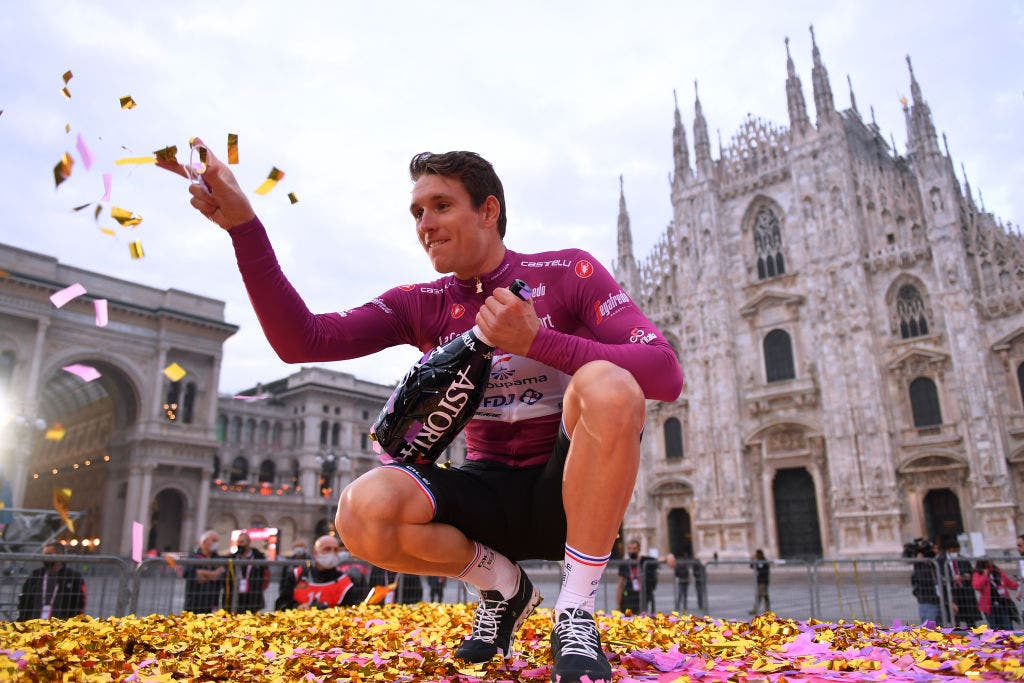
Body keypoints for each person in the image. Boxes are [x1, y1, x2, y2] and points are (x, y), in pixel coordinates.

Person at [165, 144, 682, 683]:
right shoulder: (421, 302)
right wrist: (244, 228)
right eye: (416, 212)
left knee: (611, 385)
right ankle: (503, 585)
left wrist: (537, 341)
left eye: (440, 206)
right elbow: (302, 340)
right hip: (483, 492)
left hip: (569, 488)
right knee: (360, 511)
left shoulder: (568, 271)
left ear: (488, 210)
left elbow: (665, 373)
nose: (424, 225)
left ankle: (574, 611)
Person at [276, 535, 366, 610]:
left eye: (335, 550)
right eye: (327, 549)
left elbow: (351, 610)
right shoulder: (297, 575)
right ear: (315, 552)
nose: (332, 553)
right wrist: (297, 607)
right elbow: (281, 604)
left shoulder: (345, 582)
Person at [17, 542, 85, 620]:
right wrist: (24, 618)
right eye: (44, 555)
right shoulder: (36, 575)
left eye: (49, 554)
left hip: (61, 622)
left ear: (60, 556)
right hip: (34, 621)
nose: (45, 558)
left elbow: (80, 602)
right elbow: (24, 599)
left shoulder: (73, 577)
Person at [936, 536, 983, 628]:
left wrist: (966, 575)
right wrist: (952, 578)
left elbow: (970, 571)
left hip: (964, 590)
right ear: (949, 549)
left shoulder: (962, 558)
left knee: (970, 617)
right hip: (951, 591)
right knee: (954, 617)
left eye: (957, 549)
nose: (956, 552)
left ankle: (972, 632)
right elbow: (939, 576)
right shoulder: (940, 560)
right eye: (954, 549)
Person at [182, 530, 225, 614]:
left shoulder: (217, 558)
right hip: (193, 602)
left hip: (212, 603)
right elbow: (190, 574)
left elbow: (221, 575)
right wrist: (213, 574)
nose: (216, 544)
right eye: (214, 541)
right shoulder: (193, 556)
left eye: (217, 541)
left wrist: (202, 573)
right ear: (204, 542)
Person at [972, 559, 1018, 630]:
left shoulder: (998, 571)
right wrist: (985, 575)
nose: (990, 562)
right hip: (990, 605)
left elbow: (1009, 583)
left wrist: (1019, 584)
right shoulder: (978, 573)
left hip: (1003, 603)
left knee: (1008, 627)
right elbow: (976, 586)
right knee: (995, 629)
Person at [229, 532, 268, 613]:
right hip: (236, 596)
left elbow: (266, 575)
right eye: (238, 542)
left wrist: (260, 588)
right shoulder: (233, 558)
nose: (239, 544)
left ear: (249, 542)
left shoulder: (258, 557)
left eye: (242, 542)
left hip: (253, 596)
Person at [616, 540, 658, 614]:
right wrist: (618, 604)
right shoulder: (624, 564)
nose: (632, 551)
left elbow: (658, 560)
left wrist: (669, 557)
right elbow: (620, 584)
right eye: (629, 548)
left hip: (643, 596)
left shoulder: (646, 561)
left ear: (639, 549)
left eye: (634, 548)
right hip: (628, 596)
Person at [905, 538, 941, 624]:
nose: (935, 551)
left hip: (937, 599)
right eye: (933, 548)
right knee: (929, 626)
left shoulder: (934, 562)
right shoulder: (920, 564)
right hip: (927, 600)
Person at [749, 549, 770, 615]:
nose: (756, 555)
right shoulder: (757, 561)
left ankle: (763, 610)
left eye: (757, 554)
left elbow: (764, 570)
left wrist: (758, 571)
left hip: (763, 581)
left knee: (763, 595)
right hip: (759, 581)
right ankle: (763, 609)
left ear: (760, 554)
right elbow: (752, 566)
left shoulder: (764, 561)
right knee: (761, 596)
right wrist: (752, 560)